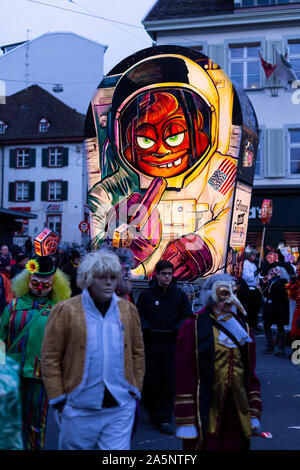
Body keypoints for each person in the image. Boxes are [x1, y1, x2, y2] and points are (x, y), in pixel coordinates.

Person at [41, 250, 145, 450]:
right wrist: (59, 400)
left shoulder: (128, 310)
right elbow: (50, 357)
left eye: (113, 277)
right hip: (78, 406)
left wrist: (135, 391)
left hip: (120, 406)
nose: (108, 283)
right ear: (88, 279)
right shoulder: (66, 311)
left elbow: (137, 352)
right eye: (101, 277)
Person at [174, 273, 262, 450]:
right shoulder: (193, 327)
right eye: (224, 293)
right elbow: (184, 374)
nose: (230, 300)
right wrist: (186, 418)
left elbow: (250, 373)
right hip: (205, 407)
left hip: (236, 410)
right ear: (211, 296)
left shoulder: (243, 329)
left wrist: (254, 411)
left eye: (233, 293)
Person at [0, 255, 71, 450]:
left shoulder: (58, 310)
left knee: (36, 423)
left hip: (40, 375)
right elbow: (0, 338)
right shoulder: (13, 306)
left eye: (45, 285)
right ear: (27, 280)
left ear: (54, 285)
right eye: (35, 283)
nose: (39, 288)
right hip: (11, 375)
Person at [136, 259, 192, 434]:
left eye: (170, 274)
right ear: (157, 275)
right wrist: (145, 326)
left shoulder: (179, 296)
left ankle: (165, 416)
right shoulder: (147, 296)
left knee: (168, 380)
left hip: (171, 343)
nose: (167, 277)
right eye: (164, 274)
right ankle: (153, 409)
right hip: (152, 342)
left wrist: (178, 327)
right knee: (152, 378)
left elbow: (186, 315)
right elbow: (139, 314)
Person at [263, 264, 290, 356]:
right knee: (266, 324)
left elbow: (276, 291)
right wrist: (266, 283)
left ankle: (281, 348)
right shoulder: (272, 281)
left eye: (275, 270)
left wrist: (270, 281)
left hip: (279, 307)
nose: (273, 272)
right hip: (270, 306)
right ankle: (270, 346)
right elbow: (265, 292)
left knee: (280, 326)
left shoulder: (284, 282)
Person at [242, 248, 263, 331]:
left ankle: (254, 323)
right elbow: (247, 277)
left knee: (256, 308)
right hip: (249, 289)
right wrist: (255, 273)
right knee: (251, 308)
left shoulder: (254, 264)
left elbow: (256, 278)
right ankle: (250, 325)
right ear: (249, 255)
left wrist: (261, 277)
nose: (254, 256)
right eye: (253, 255)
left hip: (255, 288)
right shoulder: (245, 264)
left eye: (255, 255)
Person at [286, 264, 300, 342]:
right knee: (296, 334)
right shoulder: (296, 284)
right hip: (297, 313)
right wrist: (293, 283)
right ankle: (296, 353)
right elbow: (292, 296)